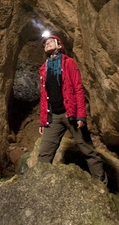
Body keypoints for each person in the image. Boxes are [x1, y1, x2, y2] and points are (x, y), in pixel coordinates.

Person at [38, 33, 107, 184]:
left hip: (71, 114)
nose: (47, 44)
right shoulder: (44, 69)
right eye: (45, 43)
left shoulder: (69, 63)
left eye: (51, 42)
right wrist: (43, 120)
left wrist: (81, 115)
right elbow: (44, 96)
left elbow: (78, 89)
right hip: (53, 116)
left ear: (60, 46)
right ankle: (41, 187)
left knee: (87, 149)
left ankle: (101, 184)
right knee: (44, 154)